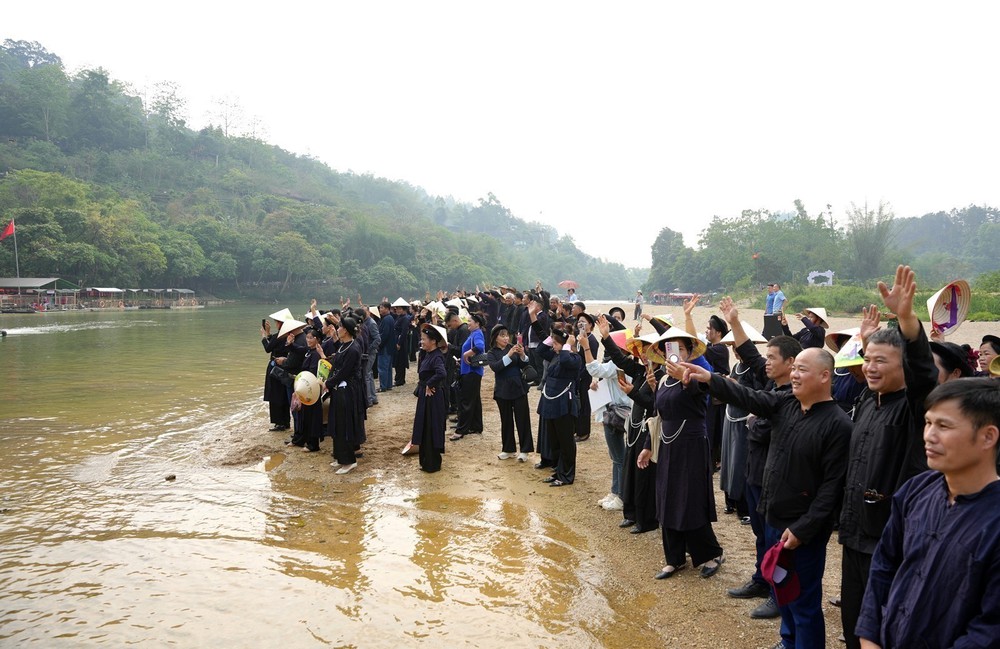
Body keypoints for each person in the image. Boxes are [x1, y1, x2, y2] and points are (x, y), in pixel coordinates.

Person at [682, 346, 851, 649]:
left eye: (802, 369)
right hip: (774, 518)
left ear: (825, 376)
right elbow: (751, 398)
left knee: (803, 601)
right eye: (795, 368)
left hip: (801, 532)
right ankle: (788, 641)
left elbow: (832, 489)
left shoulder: (838, 425)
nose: (795, 375)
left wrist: (802, 529)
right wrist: (710, 378)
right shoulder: (787, 402)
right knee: (782, 590)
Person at [856, 378, 1000, 649]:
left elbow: (991, 628)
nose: (929, 435)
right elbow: (884, 564)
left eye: (944, 426)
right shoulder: (916, 491)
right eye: (928, 423)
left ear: (988, 436)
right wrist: (869, 636)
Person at [838, 266, 938, 649]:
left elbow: (925, 375)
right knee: (853, 625)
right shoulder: (868, 402)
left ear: (903, 367)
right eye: (867, 359)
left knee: (886, 628)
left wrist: (907, 321)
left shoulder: (914, 408)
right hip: (854, 534)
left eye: (881, 361)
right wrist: (868, 341)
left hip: (889, 540)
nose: (870, 367)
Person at [637, 328, 724, 580]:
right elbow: (658, 416)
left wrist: (688, 382)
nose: (673, 355)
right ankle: (674, 558)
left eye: (680, 350)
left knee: (690, 498)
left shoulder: (695, 378)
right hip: (667, 444)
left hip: (692, 445)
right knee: (666, 497)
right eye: (668, 351)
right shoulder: (663, 381)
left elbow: (700, 401)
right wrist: (647, 446)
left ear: (688, 353)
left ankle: (711, 553)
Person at [582, 315, 633, 511]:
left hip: (616, 412)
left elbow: (593, 368)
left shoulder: (618, 364)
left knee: (618, 456)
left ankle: (620, 496)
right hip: (623, 411)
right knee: (617, 456)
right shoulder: (629, 361)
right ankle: (615, 491)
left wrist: (586, 346)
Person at [529, 299, 580, 487]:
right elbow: (542, 350)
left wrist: (567, 344)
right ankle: (557, 471)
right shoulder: (556, 355)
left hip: (563, 403)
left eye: (557, 344)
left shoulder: (573, 358)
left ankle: (567, 475)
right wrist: (553, 337)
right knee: (555, 439)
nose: (555, 346)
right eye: (555, 343)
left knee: (566, 440)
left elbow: (567, 361)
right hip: (551, 400)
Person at [322, 316, 365, 474]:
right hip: (338, 390)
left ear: (345, 330)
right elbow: (335, 367)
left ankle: (348, 461)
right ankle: (339, 457)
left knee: (345, 425)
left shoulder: (353, 348)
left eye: (339, 327)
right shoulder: (343, 345)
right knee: (337, 423)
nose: (337, 329)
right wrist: (327, 380)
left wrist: (328, 383)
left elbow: (345, 372)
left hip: (347, 391)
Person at [486, 323, 534, 461]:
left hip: (518, 387)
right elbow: (496, 367)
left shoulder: (513, 347)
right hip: (502, 389)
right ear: (496, 338)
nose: (506, 338)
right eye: (502, 336)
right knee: (506, 420)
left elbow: (524, 364)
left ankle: (525, 450)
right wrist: (509, 354)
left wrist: (523, 354)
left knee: (522, 419)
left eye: (507, 335)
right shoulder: (492, 353)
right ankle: (508, 449)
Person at [407, 324, 449, 471]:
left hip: (433, 398)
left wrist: (429, 384)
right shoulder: (428, 354)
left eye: (424, 339)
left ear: (433, 341)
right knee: (424, 428)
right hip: (426, 397)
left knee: (431, 428)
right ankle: (425, 461)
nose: (422, 341)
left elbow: (442, 373)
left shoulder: (437, 356)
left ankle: (432, 463)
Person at [452, 313, 486, 440]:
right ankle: (476, 426)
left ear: (477, 323)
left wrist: (466, 354)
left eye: (470, 321)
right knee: (475, 400)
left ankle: (461, 430)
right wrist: (462, 358)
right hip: (470, 370)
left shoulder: (477, 333)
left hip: (471, 372)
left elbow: (480, 347)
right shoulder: (473, 333)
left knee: (466, 401)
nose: (468, 322)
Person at [261, 308, 293, 432]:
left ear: (280, 323)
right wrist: (269, 334)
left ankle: (279, 423)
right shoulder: (289, 335)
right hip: (285, 367)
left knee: (275, 395)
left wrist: (264, 336)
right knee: (283, 395)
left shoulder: (279, 336)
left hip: (275, 368)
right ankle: (286, 421)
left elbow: (268, 348)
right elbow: (274, 345)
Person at [358, 305, 381, 406]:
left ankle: (369, 399)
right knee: (369, 374)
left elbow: (377, 339)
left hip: (370, 353)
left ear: (368, 312)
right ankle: (373, 397)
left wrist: (368, 350)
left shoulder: (371, 323)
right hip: (369, 352)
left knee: (366, 375)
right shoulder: (366, 322)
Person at [376, 302, 395, 393]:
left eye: (382, 308)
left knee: (383, 368)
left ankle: (383, 386)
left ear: (387, 309)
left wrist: (379, 345)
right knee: (388, 367)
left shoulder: (387, 319)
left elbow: (384, 335)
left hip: (385, 348)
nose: (380, 309)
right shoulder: (389, 318)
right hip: (390, 347)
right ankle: (388, 385)